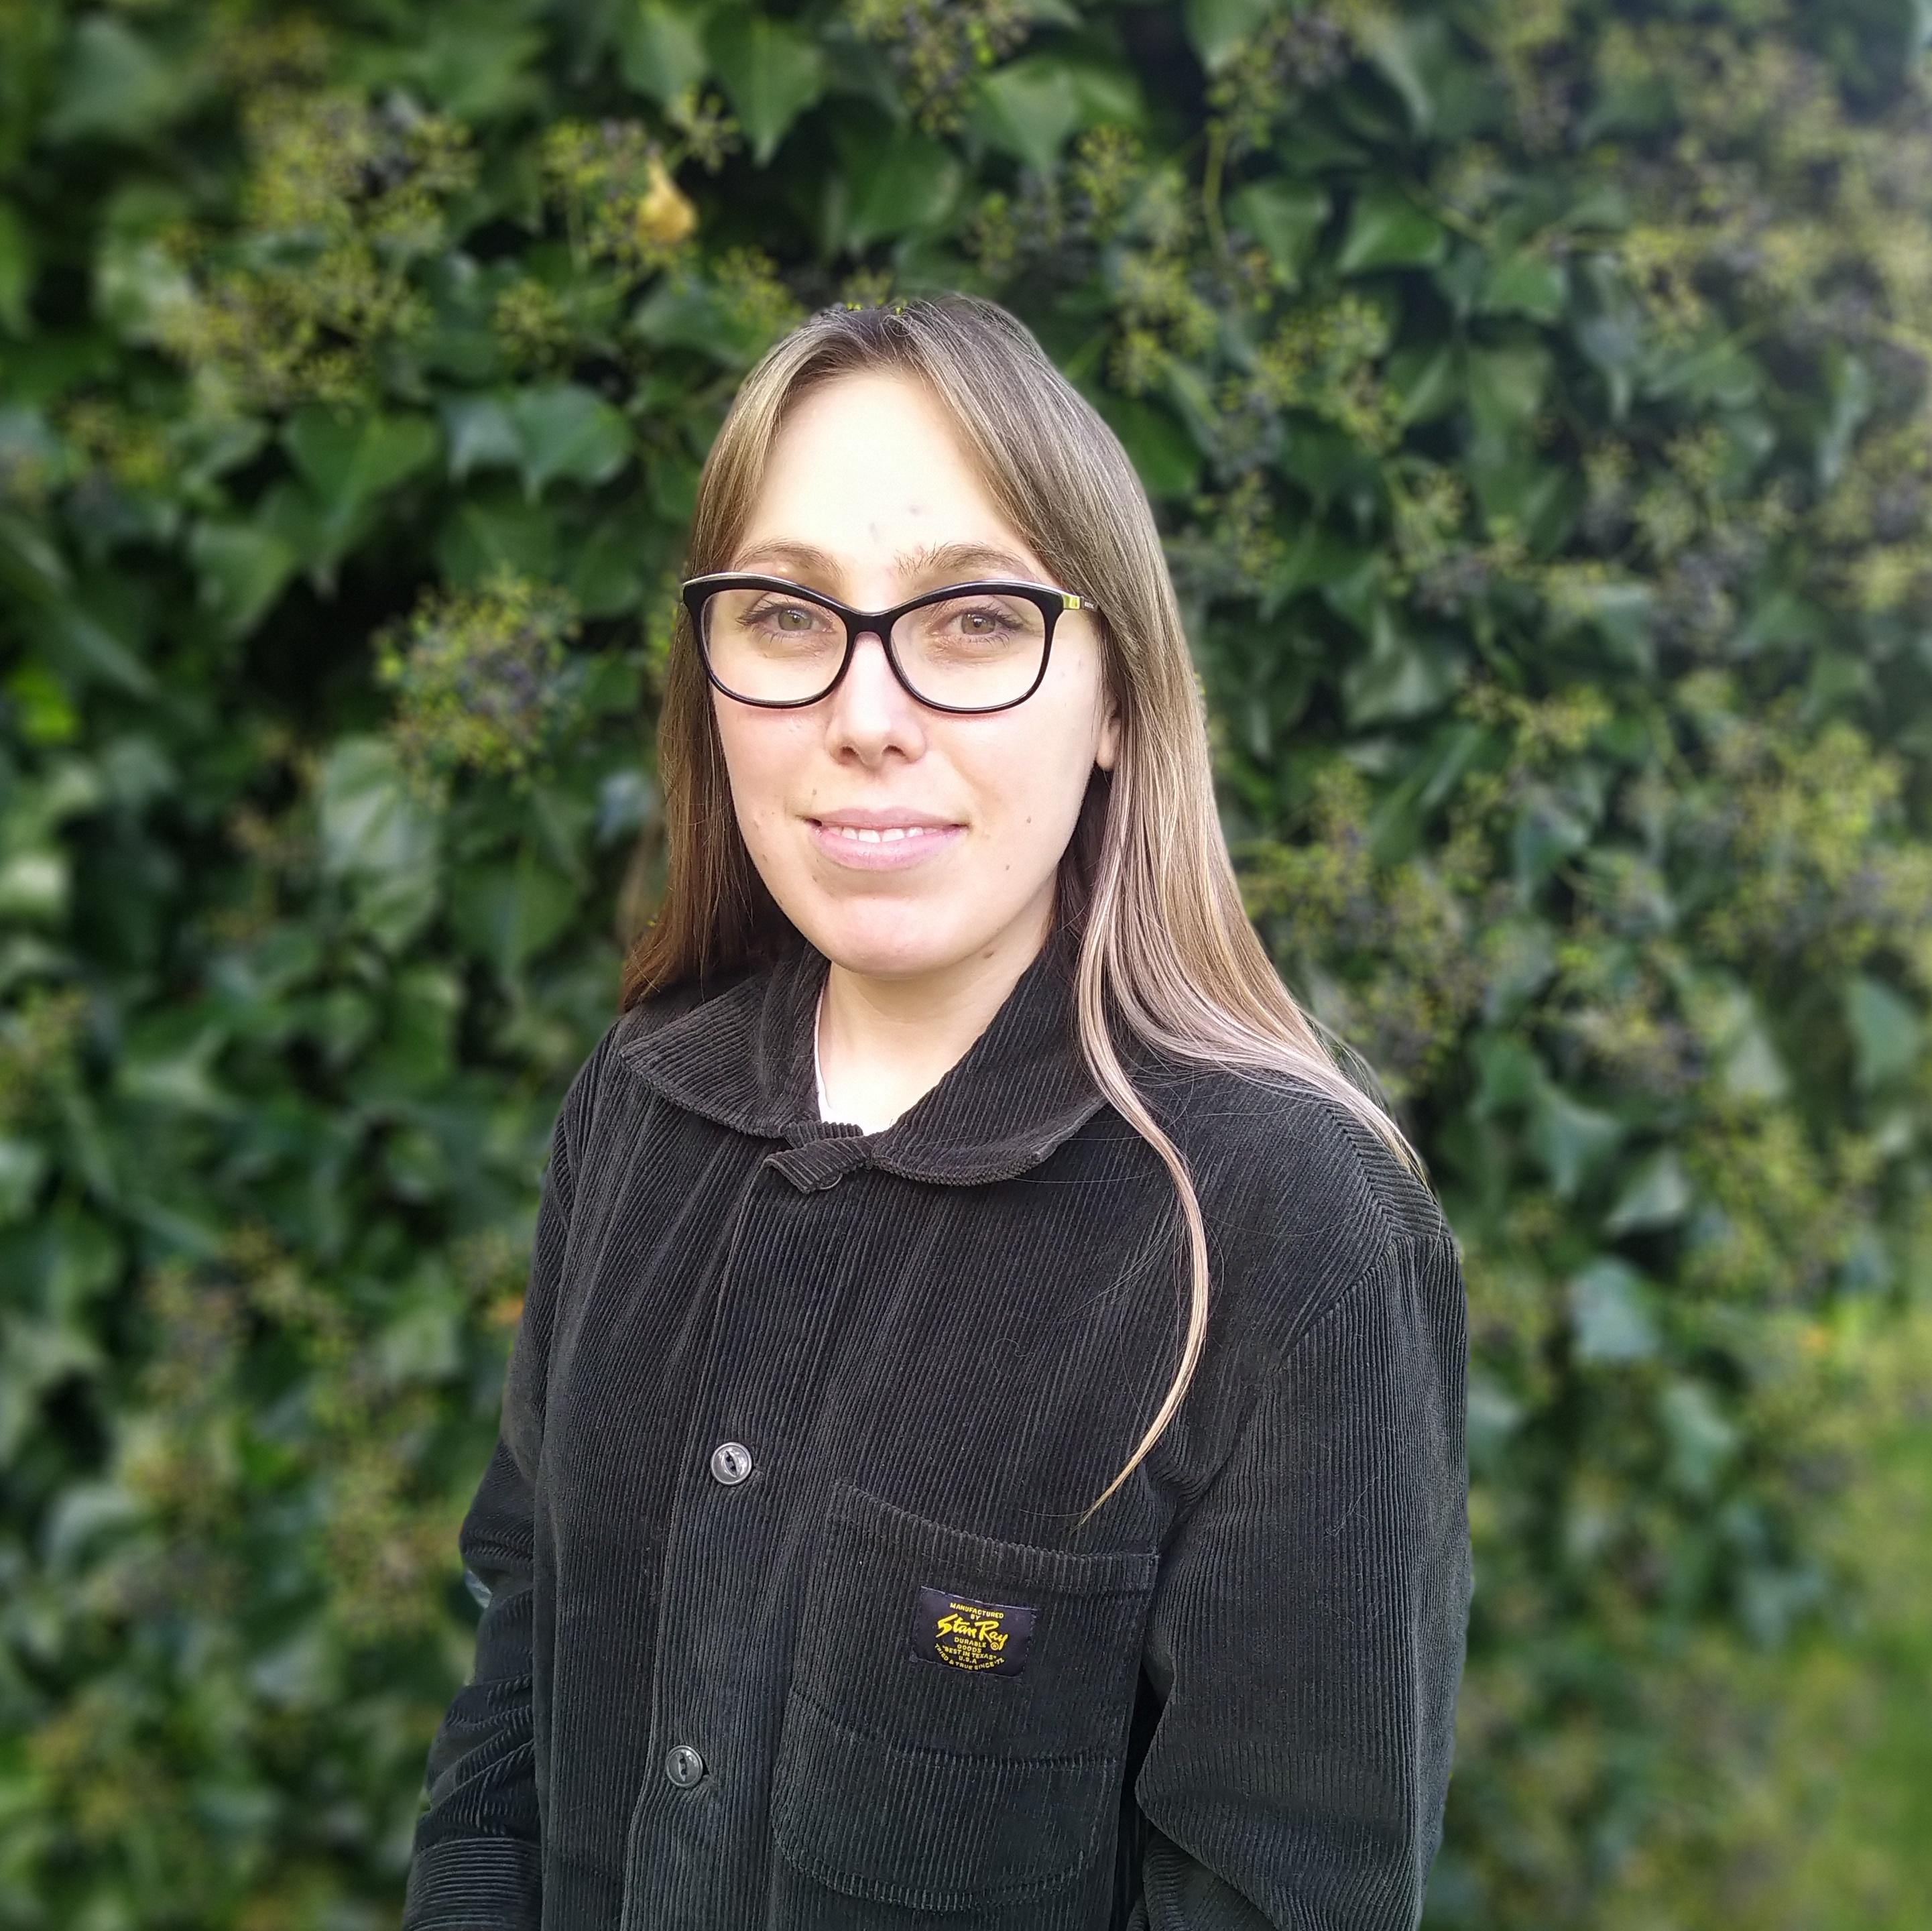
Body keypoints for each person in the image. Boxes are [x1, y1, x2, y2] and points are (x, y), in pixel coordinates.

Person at [401, 292, 1471, 1931]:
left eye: (974, 620)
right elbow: (517, 1692)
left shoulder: (1290, 1237)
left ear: (1117, 699)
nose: (866, 713)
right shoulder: (634, 1106)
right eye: (785, 614)